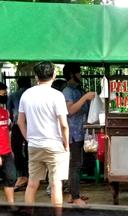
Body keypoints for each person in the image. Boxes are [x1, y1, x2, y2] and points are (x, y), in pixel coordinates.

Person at [17, 62, 70, 209]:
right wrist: (66, 144)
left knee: (32, 184)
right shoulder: (57, 96)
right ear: (54, 75)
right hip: (55, 145)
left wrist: (29, 138)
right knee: (55, 185)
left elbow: (20, 122)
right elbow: (64, 125)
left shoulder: (26, 95)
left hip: (34, 145)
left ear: (36, 76)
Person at [62, 63, 95, 206]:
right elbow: (70, 110)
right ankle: (75, 197)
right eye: (79, 72)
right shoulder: (67, 92)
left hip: (81, 133)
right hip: (72, 134)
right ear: (72, 74)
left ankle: (72, 194)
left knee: (78, 165)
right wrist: (85, 98)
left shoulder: (78, 90)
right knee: (74, 166)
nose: (81, 75)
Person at [7, 76, 31, 192]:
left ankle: (22, 175)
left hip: (17, 125)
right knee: (30, 149)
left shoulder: (13, 95)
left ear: (18, 83)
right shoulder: (32, 94)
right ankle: (31, 174)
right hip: (31, 124)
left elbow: (9, 111)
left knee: (17, 150)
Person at [0, 82, 16, 205]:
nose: (5, 96)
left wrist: (11, 150)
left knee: (10, 178)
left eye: (5, 93)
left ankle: (11, 206)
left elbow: (7, 133)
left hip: (7, 152)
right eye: (3, 93)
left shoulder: (5, 113)